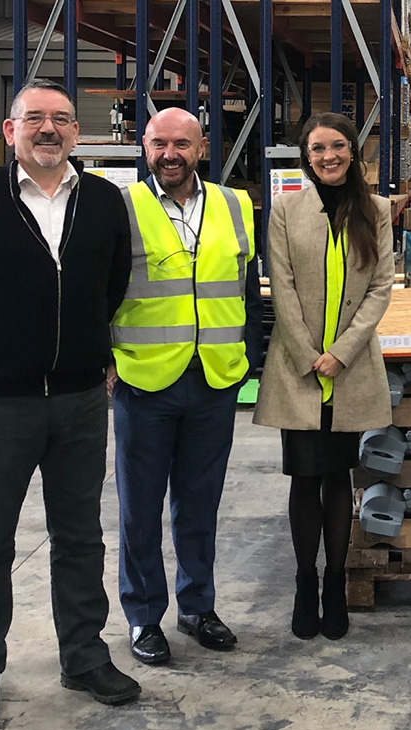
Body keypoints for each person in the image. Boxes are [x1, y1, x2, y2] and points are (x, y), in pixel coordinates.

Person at [0, 78, 139, 725]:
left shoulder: (101, 202)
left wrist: (88, 351)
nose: (49, 129)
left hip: (79, 400)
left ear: (75, 133)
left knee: (79, 536)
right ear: (10, 131)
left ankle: (84, 656)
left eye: (61, 120)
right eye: (34, 118)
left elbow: (112, 284)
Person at [110, 107, 264, 665]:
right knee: (140, 507)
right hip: (144, 380)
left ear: (201, 147)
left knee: (200, 505)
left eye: (181, 143)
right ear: (144, 147)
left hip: (215, 380)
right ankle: (143, 617)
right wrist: (107, 358)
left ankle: (198, 606)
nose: (169, 154)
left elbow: (248, 289)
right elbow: (101, 290)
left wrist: (248, 354)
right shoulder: (121, 206)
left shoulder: (234, 204)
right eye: (158, 144)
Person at [252, 112, 394, 640]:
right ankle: (303, 581)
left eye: (337, 146)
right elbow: (280, 283)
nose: (328, 156)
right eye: (317, 149)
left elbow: (381, 286)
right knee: (304, 478)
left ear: (353, 152)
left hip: (349, 368)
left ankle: (336, 583)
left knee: (339, 478)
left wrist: (341, 352)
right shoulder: (287, 209)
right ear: (305, 156)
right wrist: (309, 351)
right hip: (299, 367)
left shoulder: (376, 210)